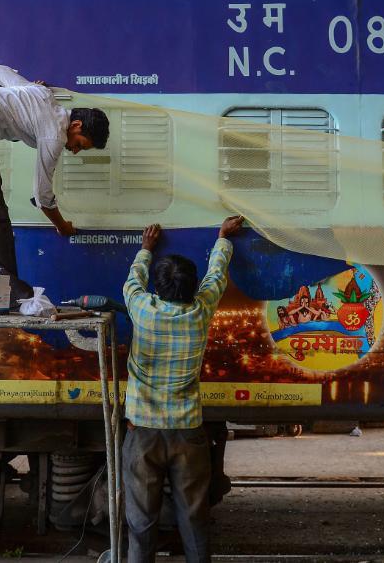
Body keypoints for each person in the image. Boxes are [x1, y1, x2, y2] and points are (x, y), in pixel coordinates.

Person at [0, 65, 110, 309]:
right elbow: (42, 195)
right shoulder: (55, 134)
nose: (75, 150)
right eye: (80, 144)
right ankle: (11, 293)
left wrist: (25, 88)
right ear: (76, 125)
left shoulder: (41, 93)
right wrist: (62, 225)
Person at [122, 215, 245, 563]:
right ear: (191, 288)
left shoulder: (142, 309)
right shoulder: (200, 312)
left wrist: (146, 249)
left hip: (143, 432)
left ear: (157, 288)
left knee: (141, 522)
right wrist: (223, 238)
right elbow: (217, 275)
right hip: (187, 433)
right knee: (193, 518)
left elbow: (132, 282)